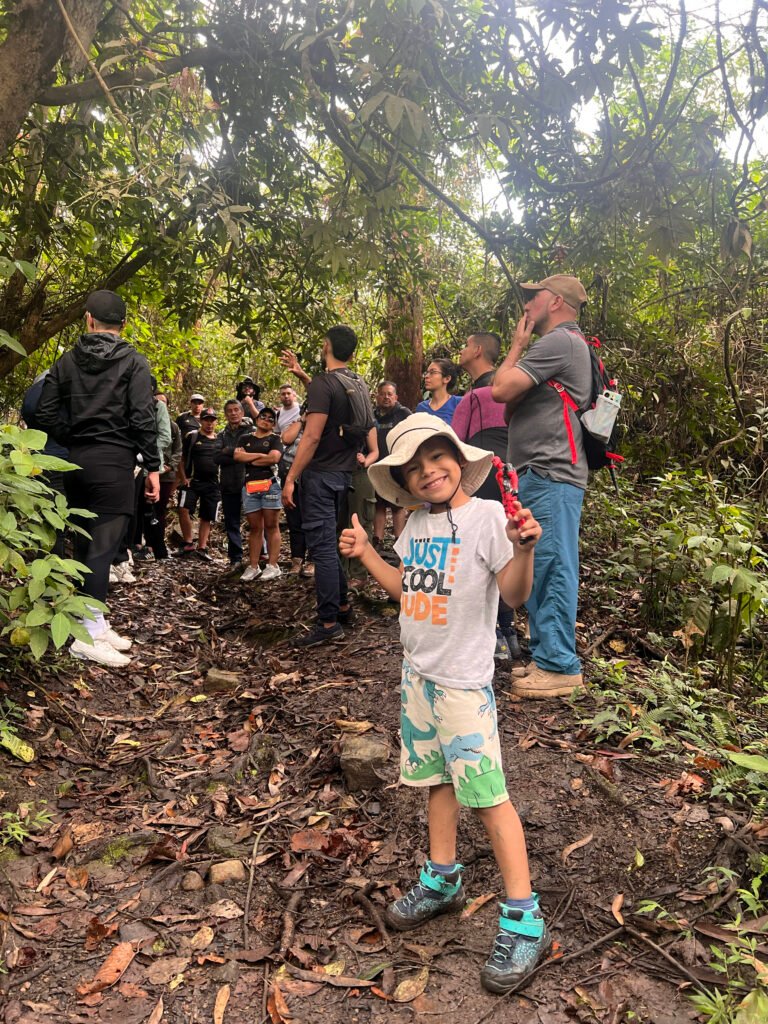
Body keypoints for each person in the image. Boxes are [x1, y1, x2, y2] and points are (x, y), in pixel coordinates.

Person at [339, 413, 548, 995]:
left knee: (487, 795)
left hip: (462, 685)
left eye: (437, 459)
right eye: (414, 467)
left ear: (460, 461)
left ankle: (523, 915)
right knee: (437, 782)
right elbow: (408, 591)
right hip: (419, 677)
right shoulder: (413, 525)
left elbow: (513, 594)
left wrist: (522, 548)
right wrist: (365, 555)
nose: (428, 472)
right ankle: (443, 877)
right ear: (403, 481)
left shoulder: (487, 519)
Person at [36, 289, 159, 667]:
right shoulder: (135, 363)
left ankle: (96, 622)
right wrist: (152, 465)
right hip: (114, 463)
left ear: (88, 319)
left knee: (85, 546)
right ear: (122, 325)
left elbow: (43, 411)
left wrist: (73, 435)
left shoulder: (67, 362)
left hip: (76, 462)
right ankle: (87, 634)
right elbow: (142, 417)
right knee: (102, 550)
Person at [492, 275, 591, 699]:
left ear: (554, 301)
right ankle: (545, 655)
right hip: (540, 471)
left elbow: (499, 389)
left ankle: (559, 665)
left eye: (533, 298)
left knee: (551, 565)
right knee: (536, 560)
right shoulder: (565, 345)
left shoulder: (560, 341)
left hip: (551, 472)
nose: (527, 305)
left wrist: (516, 344)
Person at [282, 325, 377, 647]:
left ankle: (327, 622)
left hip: (320, 475)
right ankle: (344, 606)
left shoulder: (326, 384)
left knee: (321, 548)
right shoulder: (357, 383)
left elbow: (311, 435)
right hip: (344, 474)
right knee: (328, 542)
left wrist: (291, 478)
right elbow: (332, 405)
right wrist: (303, 377)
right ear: (351, 353)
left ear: (326, 346)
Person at [452, 332, 522, 662]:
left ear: (478, 351)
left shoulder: (476, 397)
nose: (461, 350)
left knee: (481, 551)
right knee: (507, 549)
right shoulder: (514, 388)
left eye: (466, 345)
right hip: (515, 473)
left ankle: (492, 634)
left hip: (484, 473)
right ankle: (510, 633)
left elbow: (457, 445)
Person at [235, 407, 284, 581]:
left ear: (274, 424)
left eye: (271, 419)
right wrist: (259, 456)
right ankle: (253, 566)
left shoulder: (275, 439)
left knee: (271, 525)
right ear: (257, 419)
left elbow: (273, 458)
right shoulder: (245, 438)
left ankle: (273, 565)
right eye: (263, 416)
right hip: (250, 486)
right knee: (255, 527)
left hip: (269, 485)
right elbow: (238, 457)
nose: (266, 420)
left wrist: (249, 456)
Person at [177, 407, 221, 561]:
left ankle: (202, 548)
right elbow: (182, 459)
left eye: (212, 420)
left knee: (206, 516)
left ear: (216, 422)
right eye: (206, 420)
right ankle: (188, 543)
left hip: (212, 483)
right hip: (192, 481)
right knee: (183, 509)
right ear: (201, 421)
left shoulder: (219, 440)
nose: (209, 423)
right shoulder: (192, 437)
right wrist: (183, 478)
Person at [372, 381, 411, 547]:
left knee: (397, 503)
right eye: (383, 394)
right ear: (377, 396)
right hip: (377, 465)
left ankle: (399, 541)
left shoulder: (403, 413)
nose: (386, 397)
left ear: (396, 397)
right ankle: (377, 540)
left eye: (390, 394)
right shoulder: (372, 415)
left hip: (397, 466)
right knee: (378, 504)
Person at [214, 399, 252, 568]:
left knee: (256, 521)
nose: (233, 413)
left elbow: (254, 453)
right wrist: (238, 454)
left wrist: (228, 451)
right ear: (226, 414)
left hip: (250, 482)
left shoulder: (252, 431)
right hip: (228, 483)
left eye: (236, 410)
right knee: (231, 522)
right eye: (230, 410)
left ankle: (261, 556)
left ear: (242, 412)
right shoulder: (221, 435)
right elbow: (217, 457)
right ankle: (236, 558)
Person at [147, 392, 182, 560]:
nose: (159, 405)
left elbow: (178, 450)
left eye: (163, 402)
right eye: (157, 401)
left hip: (166, 475)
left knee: (160, 511)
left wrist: (168, 467)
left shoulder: (173, 426)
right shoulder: (145, 421)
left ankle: (158, 547)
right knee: (145, 510)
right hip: (147, 471)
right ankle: (145, 546)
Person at [281, 410, 312, 575]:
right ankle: (297, 559)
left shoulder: (322, 426)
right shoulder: (296, 424)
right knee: (294, 519)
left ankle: (313, 561)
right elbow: (286, 439)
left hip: (312, 478)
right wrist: (302, 420)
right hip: (290, 477)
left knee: (313, 519)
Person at [416, 358, 461, 425]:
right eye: (427, 372)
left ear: (447, 379)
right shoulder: (421, 407)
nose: (426, 376)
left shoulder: (459, 403)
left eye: (433, 372)